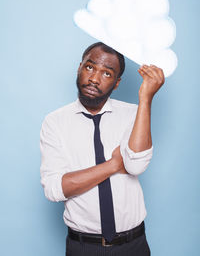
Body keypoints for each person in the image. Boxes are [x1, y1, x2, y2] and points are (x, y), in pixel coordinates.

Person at [40, 42, 165, 256]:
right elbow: (54, 189)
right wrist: (114, 165)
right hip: (83, 247)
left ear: (117, 83)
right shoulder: (55, 122)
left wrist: (146, 99)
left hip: (133, 245)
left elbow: (136, 165)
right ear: (79, 67)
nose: (94, 79)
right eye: (90, 67)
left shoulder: (134, 115)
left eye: (106, 73)